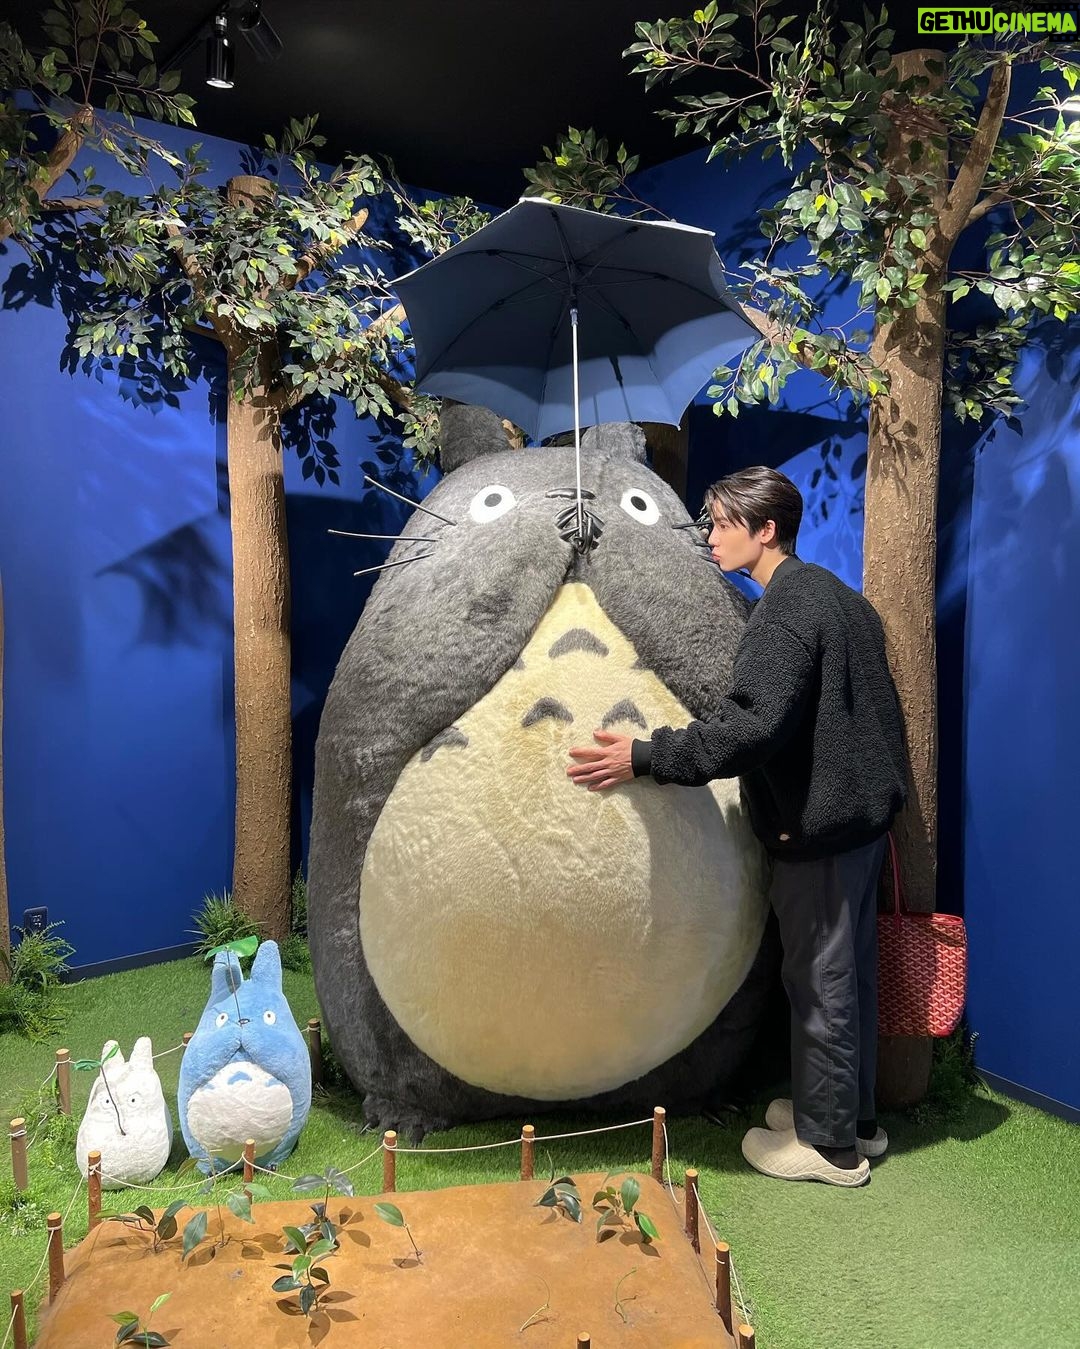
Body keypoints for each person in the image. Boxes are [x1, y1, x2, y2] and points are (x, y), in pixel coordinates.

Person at [566, 465, 908, 1188]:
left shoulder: (785, 611)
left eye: (722, 523)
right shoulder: (840, 599)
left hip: (821, 831)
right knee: (847, 976)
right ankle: (853, 1120)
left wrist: (645, 755)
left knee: (820, 982)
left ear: (766, 529)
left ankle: (830, 1148)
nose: (710, 536)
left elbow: (750, 727)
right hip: (859, 826)